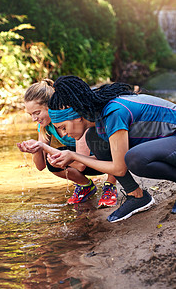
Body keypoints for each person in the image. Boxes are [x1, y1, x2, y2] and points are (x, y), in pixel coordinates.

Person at [43, 75, 176, 223]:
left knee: (135, 158)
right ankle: (136, 196)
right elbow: (111, 162)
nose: (64, 134)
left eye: (63, 127)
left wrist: (74, 155)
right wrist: (73, 158)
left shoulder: (114, 112)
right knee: (93, 137)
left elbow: (119, 168)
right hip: (170, 144)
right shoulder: (100, 121)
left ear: (77, 116)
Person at [17, 79, 118, 207]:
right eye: (30, 114)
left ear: (51, 107)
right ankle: (85, 186)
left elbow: (81, 165)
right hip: (86, 159)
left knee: (104, 149)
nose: (33, 119)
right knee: (52, 162)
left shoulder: (74, 121)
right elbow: (40, 166)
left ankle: (110, 184)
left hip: (104, 158)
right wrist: (36, 149)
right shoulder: (44, 127)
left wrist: (44, 147)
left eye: (37, 113)